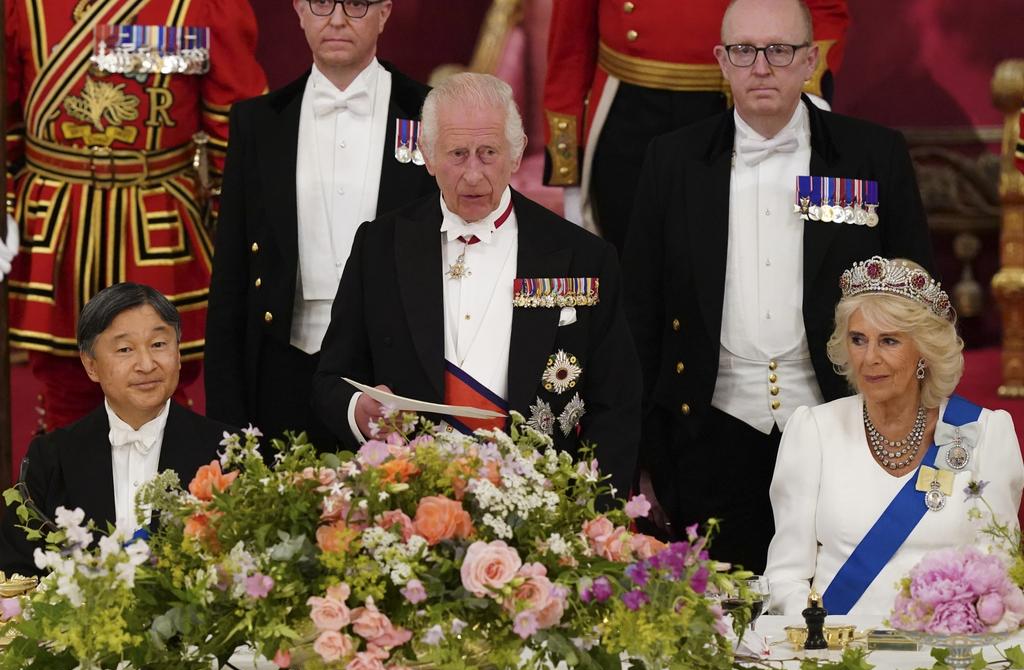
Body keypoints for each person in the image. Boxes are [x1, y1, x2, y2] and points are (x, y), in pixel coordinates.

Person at [624, 0, 935, 571]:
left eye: (780, 50)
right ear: (721, 60)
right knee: (724, 627)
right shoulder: (671, 160)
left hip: (843, 421)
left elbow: (918, 303)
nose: (761, 66)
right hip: (708, 434)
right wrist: (642, 452)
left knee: (839, 616)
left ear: (810, 59)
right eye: (743, 51)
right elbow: (641, 312)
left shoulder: (872, 155)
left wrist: (915, 422)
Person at [311, 72, 642, 497]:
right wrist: (360, 411)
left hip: (540, 510)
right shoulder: (379, 246)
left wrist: (591, 510)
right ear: (427, 156)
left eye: (488, 153)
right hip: (410, 501)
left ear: (517, 155)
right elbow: (331, 378)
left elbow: (617, 404)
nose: (472, 174)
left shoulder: (584, 256)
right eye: (457, 153)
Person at [2, 0, 267, 430]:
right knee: (63, 395)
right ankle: (65, 492)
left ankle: (157, 496)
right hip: (55, 227)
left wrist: (241, 240)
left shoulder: (204, 6)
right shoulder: (21, 7)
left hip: (156, 227)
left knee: (155, 386)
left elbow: (235, 134)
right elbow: (7, 125)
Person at [204, 0, 435, 451]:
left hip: (394, 377)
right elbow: (230, 280)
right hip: (280, 373)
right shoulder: (257, 123)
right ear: (298, 11)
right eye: (321, 3)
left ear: (385, 12)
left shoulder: (431, 114)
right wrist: (225, 422)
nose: (336, 18)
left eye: (356, 4)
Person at [765, 257, 1024, 615]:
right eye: (858, 340)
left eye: (888, 341)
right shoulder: (813, 431)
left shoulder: (985, 433)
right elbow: (785, 577)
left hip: (944, 650)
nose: (869, 357)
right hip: (835, 655)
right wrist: (818, 641)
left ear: (923, 351)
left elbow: (1001, 575)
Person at [541, 0, 848, 254]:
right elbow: (570, 43)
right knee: (629, 269)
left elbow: (823, 10)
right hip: (626, 115)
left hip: (739, 103)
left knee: (736, 264)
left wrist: (805, 95)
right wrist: (570, 173)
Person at [0, 283, 233, 578]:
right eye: (125, 349)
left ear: (178, 352)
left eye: (159, 344)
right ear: (91, 365)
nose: (146, 364)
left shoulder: (225, 452)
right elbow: (16, 576)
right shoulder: (51, 460)